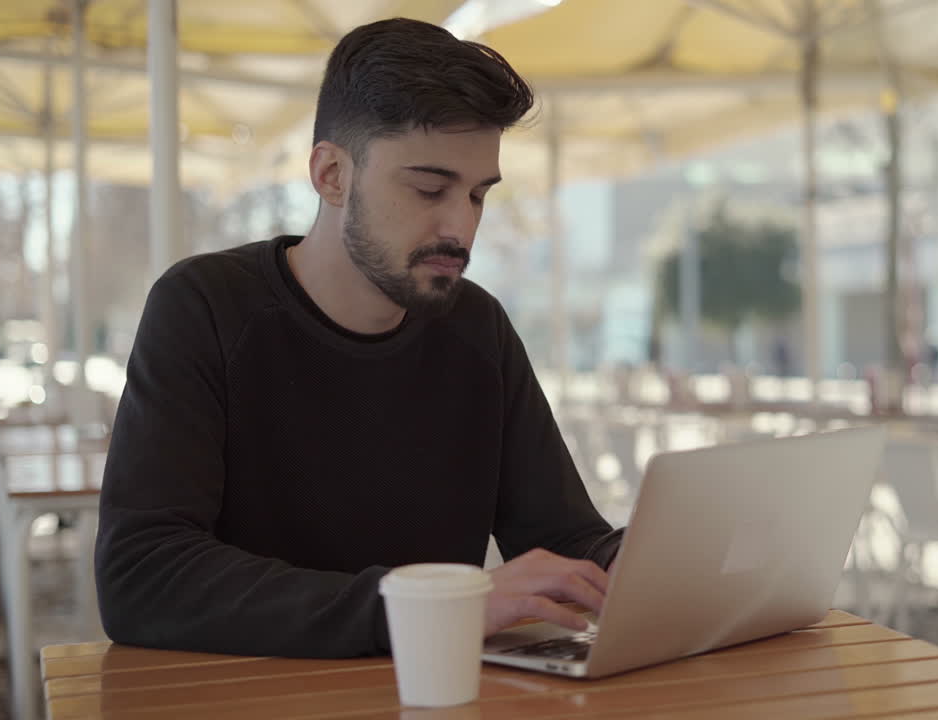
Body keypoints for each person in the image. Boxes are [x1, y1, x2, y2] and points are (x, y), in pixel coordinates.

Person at [94, 18, 623, 659]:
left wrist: (664, 563)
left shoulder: (477, 328)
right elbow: (142, 577)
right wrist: (430, 609)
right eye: (430, 188)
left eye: (479, 195)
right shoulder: (205, 308)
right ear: (331, 175)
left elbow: (565, 541)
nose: (461, 226)